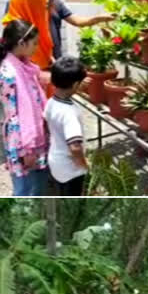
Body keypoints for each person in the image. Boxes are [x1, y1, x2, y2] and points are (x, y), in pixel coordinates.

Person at [0, 19, 49, 197]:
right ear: (21, 43)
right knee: (26, 189)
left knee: (37, 184)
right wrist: (26, 149)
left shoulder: (24, 66)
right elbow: (16, 114)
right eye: (34, 43)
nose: (36, 47)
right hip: (23, 141)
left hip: (32, 136)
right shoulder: (10, 73)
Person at [8, 0, 114, 59]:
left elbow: (76, 21)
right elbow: (13, 35)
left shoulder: (55, 2)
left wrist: (99, 18)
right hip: (29, 61)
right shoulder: (17, 2)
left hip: (53, 58)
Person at [45, 56, 88, 196]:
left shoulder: (51, 102)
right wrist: (84, 165)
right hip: (71, 170)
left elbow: (46, 124)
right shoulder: (70, 113)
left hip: (55, 161)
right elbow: (75, 147)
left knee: (60, 191)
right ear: (75, 85)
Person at [2, 0, 56, 70]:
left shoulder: (34, 28)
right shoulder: (18, 33)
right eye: (46, 6)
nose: (52, 10)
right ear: (32, 5)